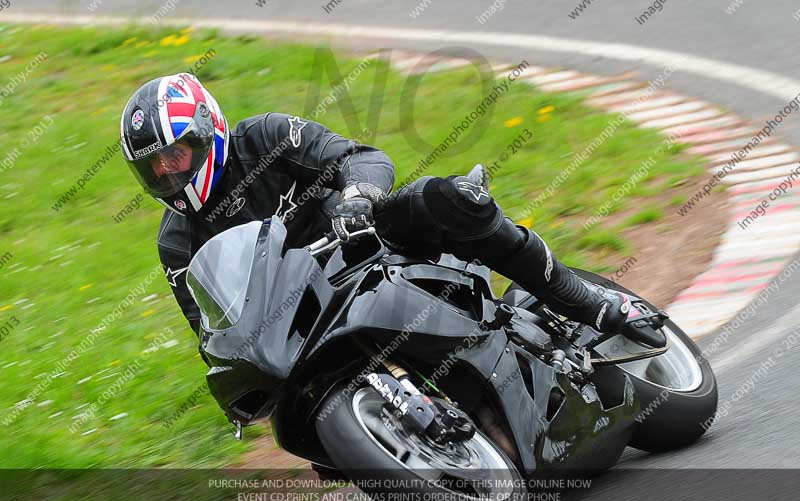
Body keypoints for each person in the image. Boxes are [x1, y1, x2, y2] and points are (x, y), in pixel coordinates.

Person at [120, 73, 663, 348]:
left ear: (206, 131)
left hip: (364, 245)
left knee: (446, 198)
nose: (168, 172)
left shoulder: (264, 137)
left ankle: (587, 301)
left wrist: (357, 199)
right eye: (155, 167)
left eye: (175, 155)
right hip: (304, 316)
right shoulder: (176, 241)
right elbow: (208, 328)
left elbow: (360, 156)